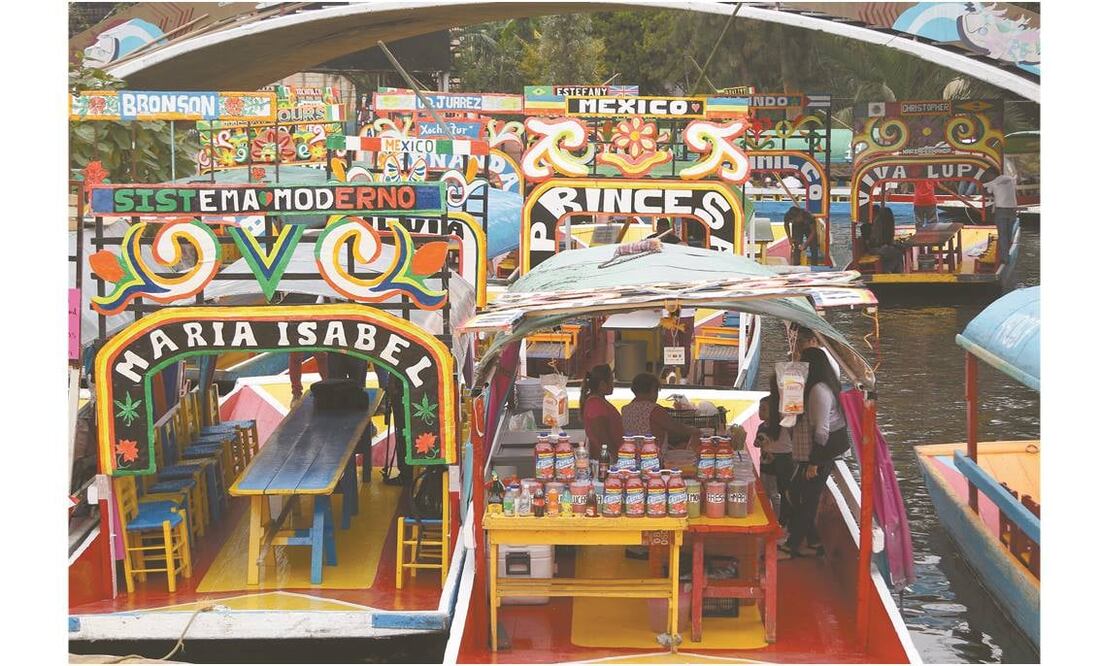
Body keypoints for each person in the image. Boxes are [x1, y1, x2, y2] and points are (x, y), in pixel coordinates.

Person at [782, 347, 850, 559]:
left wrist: (814, 463)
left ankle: (792, 546)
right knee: (795, 493)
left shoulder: (819, 391)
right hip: (821, 450)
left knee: (807, 498)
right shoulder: (820, 387)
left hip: (823, 451)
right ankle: (813, 541)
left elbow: (822, 431)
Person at [754, 375, 803, 527]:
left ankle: (781, 520)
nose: (760, 412)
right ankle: (771, 517)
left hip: (783, 459)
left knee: (781, 491)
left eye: (763, 409)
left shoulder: (784, 416)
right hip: (767, 460)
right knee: (767, 488)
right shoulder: (763, 425)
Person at [621, 373, 699, 451]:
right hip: (652, 457)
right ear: (653, 390)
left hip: (631, 455)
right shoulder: (655, 410)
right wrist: (694, 430)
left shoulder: (625, 410)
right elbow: (677, 428)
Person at [580, 364, 624, 460]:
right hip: (605, 459)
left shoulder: (599, 402)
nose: (613, 385)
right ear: (602, 384)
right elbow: (602, 435)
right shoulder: (595, 404)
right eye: (611, 381)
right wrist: (615, 455)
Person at [984, 169, 1018, 265]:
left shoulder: (992, 183)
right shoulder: (1010, 179)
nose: (986, 177)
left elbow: (987, 191)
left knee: (1002, 235)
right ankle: (1007, 253)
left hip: (1001, 210)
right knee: (1008, 234)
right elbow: (1015, 180)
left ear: (992, 174)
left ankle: (1005, 259)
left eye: (987, 175)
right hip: (1012, 210)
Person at [860, 206, 903, 273]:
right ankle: (888, 271)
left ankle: (893, 270)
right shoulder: (866, 227)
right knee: (895, 253)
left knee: (897, 249)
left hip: (879, 247)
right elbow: (871, 243)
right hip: (873, 249)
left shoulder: (880, 225)